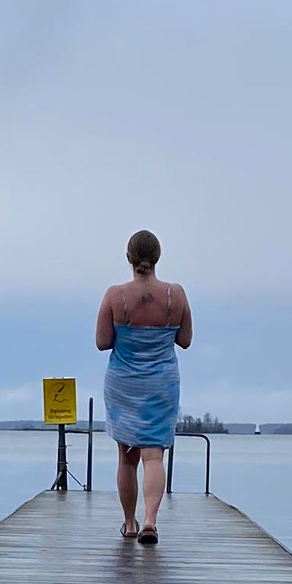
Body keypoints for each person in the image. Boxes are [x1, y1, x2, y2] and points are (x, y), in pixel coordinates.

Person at [95, 230, 193, 544]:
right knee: (154, 457)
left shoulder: (115, 295)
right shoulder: (175, 294)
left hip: (124, 382)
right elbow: (186, 341)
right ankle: (151, 520)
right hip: (161, 382)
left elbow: (102, 342)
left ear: (129, 258)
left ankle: (129, 523)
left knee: (127, 458)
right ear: (158, 256)